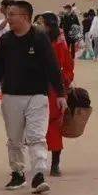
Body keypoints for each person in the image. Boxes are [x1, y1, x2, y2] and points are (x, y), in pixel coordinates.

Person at [0, 0, 67, 194]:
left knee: (37, 136)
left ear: (24, 17)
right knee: (14, 139)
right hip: (11, 96)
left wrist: (60, 93)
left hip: (37, 96)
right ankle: (18, 172)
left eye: (12, 15)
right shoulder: (5, 41)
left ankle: (38, 175)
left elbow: (52, 66)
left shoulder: (39, 38)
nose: (8, 18)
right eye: (8, 14)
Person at [35, 13, 74, 177]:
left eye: (40, 22)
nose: (37, 25)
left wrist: (63, 84)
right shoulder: (34, 41)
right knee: (36, 128)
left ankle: (55, 163)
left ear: (49, 25)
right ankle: (39, 163)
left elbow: (67, 66)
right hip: (36, 88)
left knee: (54, 126)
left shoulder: (59, 44)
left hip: (54, 90)